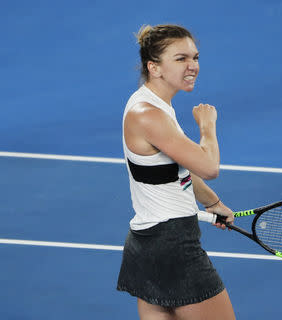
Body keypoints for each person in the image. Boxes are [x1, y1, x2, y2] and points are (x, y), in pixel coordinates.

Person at [116, 24, 236, 320]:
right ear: (154, 67)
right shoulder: (150, 115)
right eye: (181, 59)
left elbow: (172, 170)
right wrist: (207, 125)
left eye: (195, 57)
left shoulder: (146, 105)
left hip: (145, 247)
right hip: (173, 246)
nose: (192, 66)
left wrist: (212, 202)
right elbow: (208, 167)